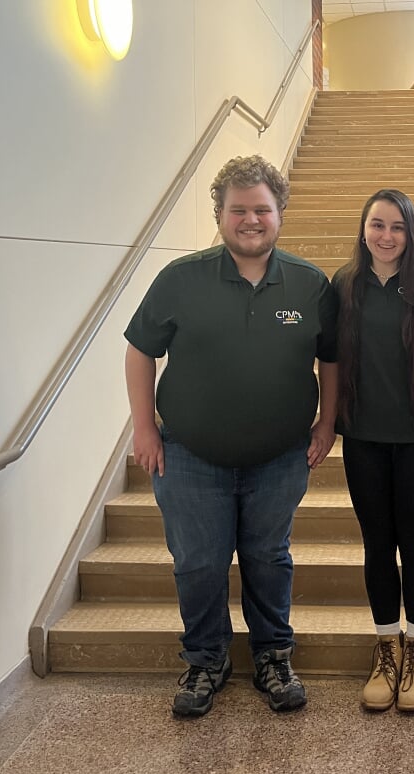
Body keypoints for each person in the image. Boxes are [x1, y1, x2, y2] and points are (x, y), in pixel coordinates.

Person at [124, 154, 337, 718]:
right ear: (219, 214)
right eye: (238, 210)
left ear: (280, 213)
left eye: (261, 209)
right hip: (190, 457)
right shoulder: (180, 279)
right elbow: (140, 351)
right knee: (197, 561)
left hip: (279, 456)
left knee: (269, 558)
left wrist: (327, 422)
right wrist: (145, 427)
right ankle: (206, 659)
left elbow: (332, 361)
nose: (250, 220)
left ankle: (272, 656)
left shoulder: (311, 285)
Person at [332, 189, 414, 712]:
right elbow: (328, 359)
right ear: (363, 228)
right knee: (377, 543)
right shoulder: (345, 284)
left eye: (397, 226)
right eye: (377, 224)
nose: (386, 235)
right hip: (363, 438)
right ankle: (386, 647)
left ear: (411, 233)